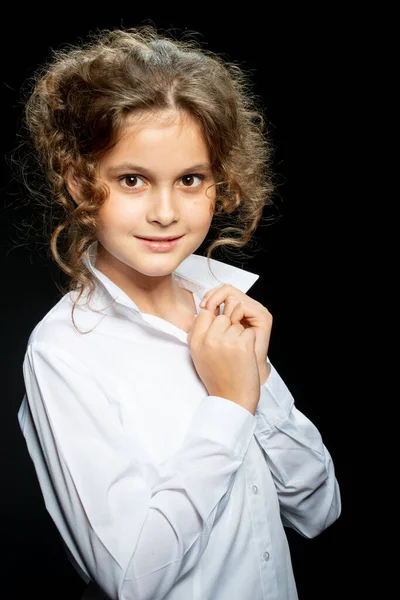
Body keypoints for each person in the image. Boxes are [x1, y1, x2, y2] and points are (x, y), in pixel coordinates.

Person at [16, 25, 341, 600]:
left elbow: (318, 510)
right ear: (77, 183)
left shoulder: (223, 311)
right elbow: (131, 581)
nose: (166, 212)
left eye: (190, 179)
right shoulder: (64, 350)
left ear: (220, 184)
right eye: (133, 180)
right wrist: (228, 404)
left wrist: (257, 378)